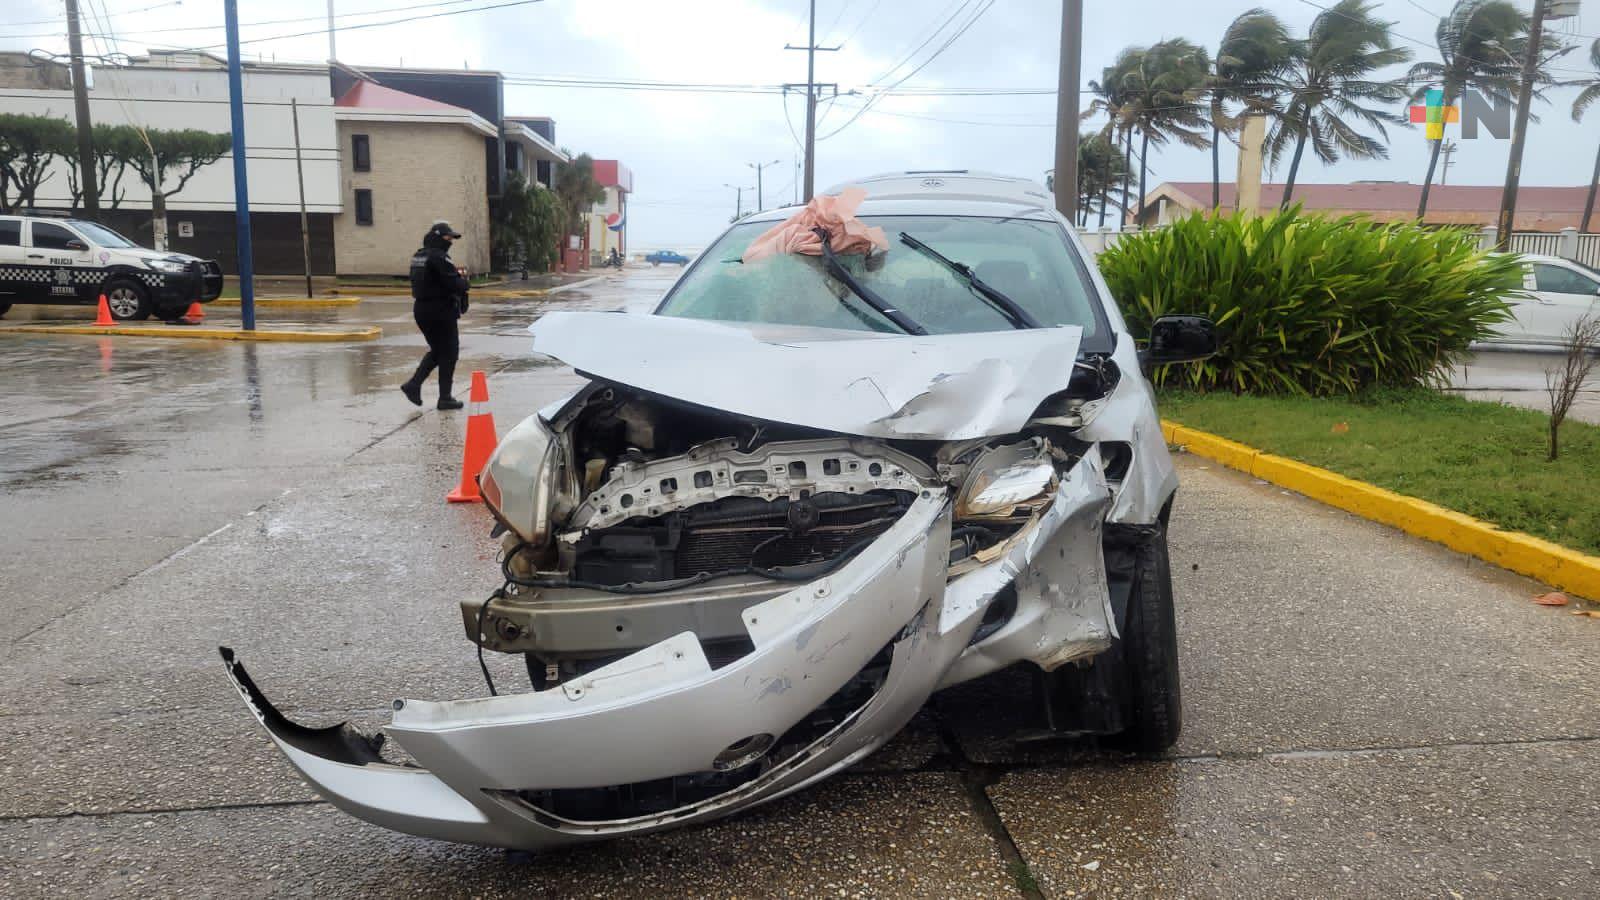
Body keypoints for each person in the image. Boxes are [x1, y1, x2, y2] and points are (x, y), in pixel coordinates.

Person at [401, 221, 470, 410]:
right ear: (438, 237)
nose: (451, 242)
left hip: (422, 309)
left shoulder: (419, 256)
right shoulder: (439, 257)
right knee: (449, 352)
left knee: (439, 351)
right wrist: (465, 282)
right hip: (440, 310)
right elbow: (454, 284)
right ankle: (444, 397)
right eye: (448, 238)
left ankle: (414, 385)